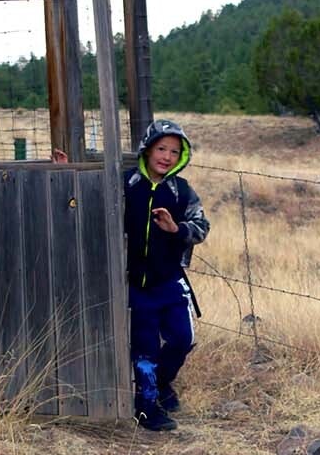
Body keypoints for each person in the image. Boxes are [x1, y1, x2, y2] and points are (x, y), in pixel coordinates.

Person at [54, 120, 210, 431]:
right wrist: (65, 173)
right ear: (148, 149)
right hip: (134, 284)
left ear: (182, 156)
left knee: (183, 338)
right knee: (145, 348)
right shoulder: (125, 185)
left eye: (174, 151)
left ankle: (163, 384)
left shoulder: (181, 191)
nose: (166, 156)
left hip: (169, 281)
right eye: (161, 148)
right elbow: (88, 202)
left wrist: (176, 229)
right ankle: (147, 407)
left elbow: (201, 227)